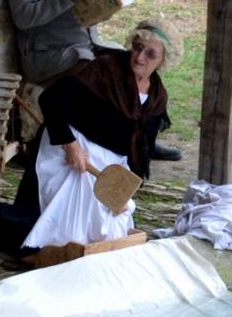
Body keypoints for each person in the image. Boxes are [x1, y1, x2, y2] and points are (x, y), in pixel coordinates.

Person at [7, 0, 182, 161]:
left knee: (134, 64)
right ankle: (101, 140)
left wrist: (104, 8)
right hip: (49, 55)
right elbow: (23, 18)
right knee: (100, 76)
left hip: (85, 44)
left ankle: (142, 138)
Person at [14, 18, 181, 251]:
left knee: (111, 229)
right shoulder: (105, 69)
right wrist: (70, 146)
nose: (140, 57)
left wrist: (125, 187)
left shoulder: (156, 97)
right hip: (75, 147)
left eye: (150, 54)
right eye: (137, 47)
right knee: (70, 224)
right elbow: (51, 99)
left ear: (163, 60)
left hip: (112, 165)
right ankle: (56, 251)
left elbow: (142, 147)